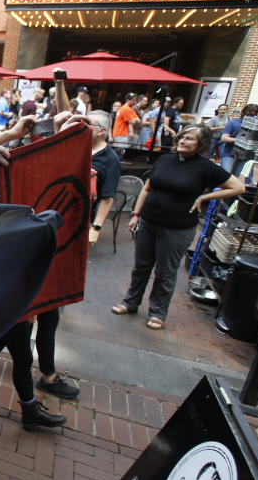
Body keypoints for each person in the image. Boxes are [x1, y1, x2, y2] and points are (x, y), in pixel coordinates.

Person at [112, 125, 245, 329]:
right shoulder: (165, 159)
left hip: (177, 229)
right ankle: (130, 303)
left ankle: (157, 313)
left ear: (200, 144)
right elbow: (147, 188)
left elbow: (238, 187)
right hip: (148, 222)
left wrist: (205, 196)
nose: (182, 141)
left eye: (189, 139)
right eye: (182, 137)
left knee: (165, 272)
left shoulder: (205, 167)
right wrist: (136, 214)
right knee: (141, 267)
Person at [87, 111, 121, 246]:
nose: (82, 126)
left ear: (101, 131)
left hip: (84, 217)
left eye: (88, 124)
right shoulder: (78, 148)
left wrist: (96, 228)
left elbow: (108, 197)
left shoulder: (111, 160)